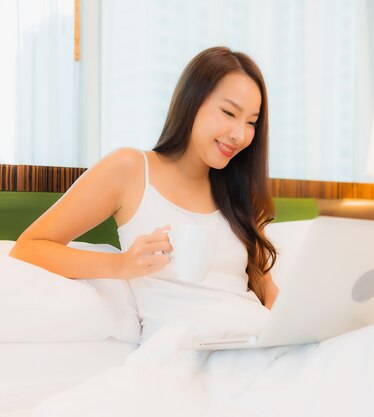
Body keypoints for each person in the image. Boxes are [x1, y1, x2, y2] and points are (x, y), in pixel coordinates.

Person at [10, 47, 280, 340]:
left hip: (254, 340)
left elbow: (267, 292)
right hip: (181, 352)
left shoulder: (240, 192)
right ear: (192, 102)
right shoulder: (129, 169)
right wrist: (122, 265)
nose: (240, 135)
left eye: (252, 122)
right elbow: (28, 247)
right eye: (229, 112)